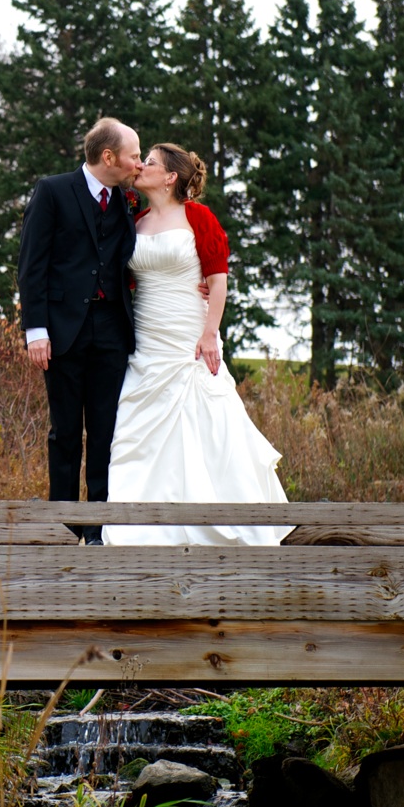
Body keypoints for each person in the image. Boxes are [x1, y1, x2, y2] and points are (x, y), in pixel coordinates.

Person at [101, 142, 293, 547]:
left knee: (207, 423)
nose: (140, 166)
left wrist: (210, 332)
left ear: (171, 176)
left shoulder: (198, 217)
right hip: (148, 340)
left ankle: (225, 524)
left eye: (149, 162)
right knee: (136, 433)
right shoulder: (135, 221)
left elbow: (218, 278)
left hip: (189, 337)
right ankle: (138, 533)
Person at [18, 118, 142, 544]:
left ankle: (98, 529)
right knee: (65, 432)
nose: (139, 164)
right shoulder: (52, 191)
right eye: (134, 155)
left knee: (107, 432)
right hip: (62, 333)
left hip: (112, 331)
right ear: (108, 157)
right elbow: (31, 265)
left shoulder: (126, 200)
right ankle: (63, 527)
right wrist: (36, 331)